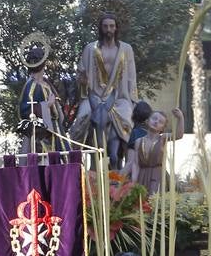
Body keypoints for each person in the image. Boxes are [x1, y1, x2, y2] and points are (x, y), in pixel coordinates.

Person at [72, 12, 138, 167]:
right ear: (101, 28)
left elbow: (131, 76)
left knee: (128, 119)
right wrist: (82, 80)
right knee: (82, 118)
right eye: (105, 26)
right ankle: (75, 160)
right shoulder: (90, 49)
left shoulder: (126, 49)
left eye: (112, 26)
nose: (109, 29)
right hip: (94, 97)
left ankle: (128, 163)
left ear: (116, 28)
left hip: (119, 98)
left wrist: (132, 99)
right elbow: (80, 72)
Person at [127, 108, 184, 194]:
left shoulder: (162, 138)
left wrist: (180, 118)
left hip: (157, 174)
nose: (156, 122)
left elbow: (179, 135)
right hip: (142, 175)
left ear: (162, 128)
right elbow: (136, 163)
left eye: (160, 122)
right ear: (147, 121)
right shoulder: (138, 141)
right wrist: (134, 180)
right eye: (154, 118)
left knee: (153, 198)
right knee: (142, 200)